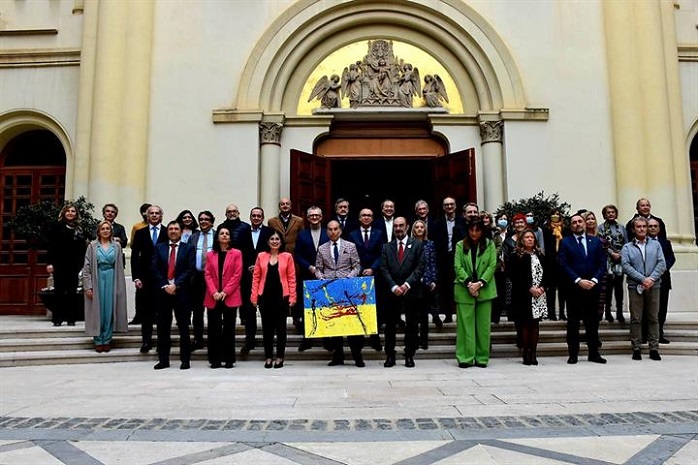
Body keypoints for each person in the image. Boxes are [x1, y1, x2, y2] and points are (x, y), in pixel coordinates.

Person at [558, 213, 608, 365]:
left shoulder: (595, 242)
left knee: (592, 322)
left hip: (592, 288)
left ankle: (594, 353)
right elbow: (563, 263)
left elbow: (602, 263)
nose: (578, 224)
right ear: (571, 226)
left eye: (580, 221)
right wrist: (578, 280)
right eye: (574, 222)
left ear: (585, 224)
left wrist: (593, 280)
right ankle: (573, 354)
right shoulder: (565, 242)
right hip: (574, 288)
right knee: (573, 323)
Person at [316, 220, 364, 367]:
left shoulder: (350, 246)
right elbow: (318, 268)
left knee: (352, 323)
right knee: (335, 323)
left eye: (335, 229)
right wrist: (322, 278)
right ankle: (338, 356)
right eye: (330, 229)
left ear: (340, 230)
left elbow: (357, 266)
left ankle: (357, 356)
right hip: (331, 290)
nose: (333, 232)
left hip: (348, 289)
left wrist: (349, 278)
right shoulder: (322, 248)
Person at [380, 217, 425, 368]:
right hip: (392, 292)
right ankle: (390, 355)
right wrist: (394, 287)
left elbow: (420, 267)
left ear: (407, 227)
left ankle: (409, 355)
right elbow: (384, 269)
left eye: (401, 226)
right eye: (396, 226)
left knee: (411, 325)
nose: (398, 228)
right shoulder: (387, 247)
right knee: (390, 326)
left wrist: (406, 285)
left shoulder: (417, 245)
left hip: (411, 291)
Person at [152, 220, 196, 370]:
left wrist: (176, 285)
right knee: (163, 328)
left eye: (176, 229)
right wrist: (165, 285)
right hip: (163, 293)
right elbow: (155, 268)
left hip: (181, 292)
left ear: (181, 231)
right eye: (170, 229)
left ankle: (185, 360)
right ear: (167, 231)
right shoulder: (159, 248)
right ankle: (163, 360)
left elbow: (190, 269)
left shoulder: (188, 248)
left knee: (184, 328)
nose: (173, 231)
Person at [621, 217, 666, 361]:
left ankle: (654, 348)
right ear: (633, 229)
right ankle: (636, 347)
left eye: (644, 226)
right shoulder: (627, 247)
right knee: (636, 318)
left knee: (653, 317)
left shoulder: (656, 245)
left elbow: (662, 263)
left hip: (654, 285)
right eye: (638, 227)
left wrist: (651, 279)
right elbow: (626, 266)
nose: (641, 229)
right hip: (636, 286)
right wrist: (642, 279)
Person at [453, 220, 497, 368]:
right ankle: (465, 357)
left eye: (477, 230)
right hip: (464, 289)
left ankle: (482, 357)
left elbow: (492, 265)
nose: (474, 233)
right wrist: (469, 284)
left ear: (482, 231)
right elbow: (457, 266)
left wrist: (480, 283)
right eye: (471, 230)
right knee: (465, 326)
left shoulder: (489, 244)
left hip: (484, 289)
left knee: (483, 327)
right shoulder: (460, 245)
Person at [250, 231, 296, 369]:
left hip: (281, 297)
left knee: (281, 329)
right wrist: (254, 296)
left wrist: (293, 297)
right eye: (272, 238)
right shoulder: (261, 256)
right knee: (267, 329)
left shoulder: (287, 256)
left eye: (277, 239)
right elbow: (256, 277)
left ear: (281, 242)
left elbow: (291, 278)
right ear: (268, 241)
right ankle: (268, 356)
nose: (275, 241)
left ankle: (280, 357)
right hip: (265, 297)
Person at [82, 220, 128, 352]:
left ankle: (107, 339)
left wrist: (120, 286)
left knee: (109, 310)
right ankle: (98, 339)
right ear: (99, 231)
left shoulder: (117, 246)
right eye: (103, 228)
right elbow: (87, 267)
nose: (106, 230)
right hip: (97, 277)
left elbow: (119, 266)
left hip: (112, 277)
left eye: (108, 228)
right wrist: (88, 286)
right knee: (97, 310)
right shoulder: (92, 246)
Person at [204, 226, 243, 369]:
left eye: (227, 233)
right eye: (222, 233)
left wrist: (225, 291)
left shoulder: (237, 253)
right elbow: (207, 274)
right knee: (214, 329)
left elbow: (237, 274)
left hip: (230, 296)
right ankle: (215, 359)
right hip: (212, 296)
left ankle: (229, 359)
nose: (225, 235)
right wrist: (214, 291)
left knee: (229, 329)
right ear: (217, 237)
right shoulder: (210, 254)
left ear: (230, 238)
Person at [130, 205, 168, 353]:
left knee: (161, 312)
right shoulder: (140, 233)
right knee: (146, 313)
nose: (154, 215)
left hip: (162, 278)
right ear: (146, 216)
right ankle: (146, 341)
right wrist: (136, 277)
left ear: (161, 216)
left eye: (157, 213)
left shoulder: (167, 232)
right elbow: (134, 257)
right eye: (151, 213)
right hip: (144, 279)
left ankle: (161, 342)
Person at [507, 229, 548, 365]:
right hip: (523, 295)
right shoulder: (516, 255)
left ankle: (534, 354)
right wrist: (529, 288)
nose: (530, 239)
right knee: (525, 324)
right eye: (527, 237)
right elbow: (513, 276)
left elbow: (549, 272)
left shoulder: (540, 254)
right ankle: (526, 353)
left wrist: (542, 287)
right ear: (522, 240)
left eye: (532, 237)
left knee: (535, 324)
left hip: (539, 295)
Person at [348, 208, 385, 352]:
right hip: (358, 276)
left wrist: (372, 268)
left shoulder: (379, 233)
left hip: (375, 276)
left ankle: (374, 338)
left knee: (374, 309)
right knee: (359, 308)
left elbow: (382, 254)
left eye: (369, 215)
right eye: (363, 215)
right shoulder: (352, 235)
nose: (366, 217)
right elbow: (350, 255)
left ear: (373, 218)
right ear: (359, 218)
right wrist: (361, 268)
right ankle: (359, 340)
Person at [294, 206, 330, 352]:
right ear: (307, 218)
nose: (314, 218)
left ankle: (328, 340)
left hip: (326, 276)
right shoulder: (302, 234)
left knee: (326, 307)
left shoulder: (328, 233)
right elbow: (298, 254)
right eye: (311, 216)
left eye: (317, 215)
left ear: (321, 217)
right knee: (308, 308)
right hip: (307, 275)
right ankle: (308, 339)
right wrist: (309, 267)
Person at [46, 203, 88, 326]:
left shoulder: (79, 229)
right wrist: (50, 263)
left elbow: (82, 248)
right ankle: (57, 318)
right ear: (64, 213)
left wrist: (81, 264)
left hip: (74, 265)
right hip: (59, 264)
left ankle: (71, 318)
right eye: (68, 211)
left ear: (76, 214)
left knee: (72, 292)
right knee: (59, 291)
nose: (70, 213)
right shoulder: (56, 226)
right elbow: (51, 246)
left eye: (73, 211)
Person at [240, 207, 274, 356]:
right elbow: (239, 252)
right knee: (249, 310)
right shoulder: (243, 233)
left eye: (259, 215)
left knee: (267, 309)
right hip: (248, 276)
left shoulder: (269, 233)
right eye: (253, 215)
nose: (256, 218)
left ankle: (269, 340)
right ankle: (250, 339)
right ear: (250, 217)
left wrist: (260, 266)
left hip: (266, 276)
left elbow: (273, 251)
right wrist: (249, 265)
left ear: (263, 217)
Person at [267, 197, 305, 330]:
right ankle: (280, 312)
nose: (284, 206)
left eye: (287, 204)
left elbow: (303, 238)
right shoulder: (272, 221)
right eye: (282, 204)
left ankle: (296, 315)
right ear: (279, 206)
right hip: (277, 256)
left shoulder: (299, 221)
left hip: (294, 257)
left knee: (294, 285)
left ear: (291, 206)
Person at [432, 197, 465, 324]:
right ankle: (448, 314)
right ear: (443, 207)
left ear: (455, 206)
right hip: (443, 259)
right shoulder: (437, 223)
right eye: (446, 205)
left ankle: (459, 313)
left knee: (459, 286)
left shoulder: (462, 222)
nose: (449, 207)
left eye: (451, 204)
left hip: (459, 258)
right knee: (445, 288)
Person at [187, 210, 216, 351]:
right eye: (201, 219)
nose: (203, 221)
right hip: (197, 277)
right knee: (197, 311)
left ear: (212, 221)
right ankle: (198, 339)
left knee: (213, 310)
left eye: (206, 219)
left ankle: (214, 339)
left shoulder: (217, 236)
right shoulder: (194, 236)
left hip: (213, 279)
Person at [410, 219, 439, 346]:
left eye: (422, 227)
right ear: (413, 230)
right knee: (414, 313)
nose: (420, 229)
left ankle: (424, 339)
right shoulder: (409, 244)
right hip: (413, 282)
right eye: (417, 227)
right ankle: (414, 339)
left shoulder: (430, 244)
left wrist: (433, 280)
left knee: (424, 313)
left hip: (426, 281)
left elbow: (433, 263)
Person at [597, 204, 628, 323]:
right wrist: (611, 253)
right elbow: (601, 243)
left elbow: (626, 242)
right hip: (607, 260)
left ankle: (619, 312)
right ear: (604, 214)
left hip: (619, 261)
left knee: (619, 288)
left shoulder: (621, 227)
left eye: (612, 212)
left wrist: (620, 254)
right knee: (608, 288)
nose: (610, 214)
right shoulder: (600, 228)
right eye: (608, 212)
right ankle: (608, 312)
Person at [647, 218, 675, 344]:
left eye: (655, 226)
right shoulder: (642, 242)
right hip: (647, 279)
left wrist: (662, 268)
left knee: (662, 307)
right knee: (646, 308)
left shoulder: (665, 242)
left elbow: (671, 258)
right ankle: (645, 333)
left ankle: (659, 333)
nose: (653, 228)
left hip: (663, 279)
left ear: (659, 228)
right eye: (650, 226)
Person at [582, 210, 608, 322]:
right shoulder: (579, 238)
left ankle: (594, 332)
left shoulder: (601, 239)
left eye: (592, 218)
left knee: (599, 305)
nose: (590, 221)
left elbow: (604, 258)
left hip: (600, 275)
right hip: (584, 275)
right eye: (587, 219)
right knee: (586, 304)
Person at [542, 208, 568, 321]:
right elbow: (545, 245)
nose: (555, 216)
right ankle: (551, 312)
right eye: (553, 214)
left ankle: (562, 313)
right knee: (550, 289)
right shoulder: (546, 229)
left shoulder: (565, 229)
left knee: (563, 289)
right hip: (550, 262)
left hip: (562, 262)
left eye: (557, 214)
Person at [492, 212, 508, 324]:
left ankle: (509, 313)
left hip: (508, 267)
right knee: (497, 291)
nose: (503, 220)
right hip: (496, 267)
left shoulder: (510, 234)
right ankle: (496, 316)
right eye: (501, 219)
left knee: (507, 291)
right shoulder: (494, 234)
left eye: (505, 219)